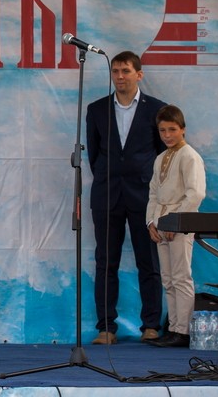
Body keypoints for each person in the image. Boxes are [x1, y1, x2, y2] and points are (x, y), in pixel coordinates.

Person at [85, 50, 166, 345]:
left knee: (149, 262)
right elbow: (94, 154)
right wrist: (110, 178)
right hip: (107, 195)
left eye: (126, 71)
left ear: (139, 75)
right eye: (115, 71)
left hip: (144, 196)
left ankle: (151, 326)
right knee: (106, 262)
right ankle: (106, 327)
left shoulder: (157, 109)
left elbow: (162, 155)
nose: (120, 77)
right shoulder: (97, 109)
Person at [146, 105, 206, 348]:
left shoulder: (189, 156)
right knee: (168, 278)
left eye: (172, 129)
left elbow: (195, 193)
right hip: (161, 222)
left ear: (183, 129)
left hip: (180, 223)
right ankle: (173, 328)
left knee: (181, 277)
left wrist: (176, 221)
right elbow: (153, 193)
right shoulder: (160, 158)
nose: (167, 135)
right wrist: (151, 222)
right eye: (163, 130)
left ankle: (184, 331)